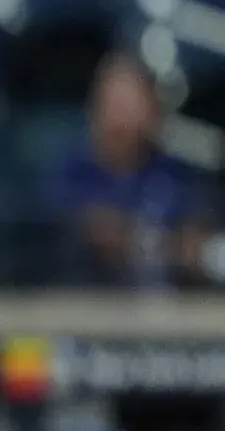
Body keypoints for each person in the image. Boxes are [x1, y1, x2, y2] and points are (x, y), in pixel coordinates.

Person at [55, 52, 212, 287]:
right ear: (95, 109)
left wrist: (138, 242)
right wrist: (163, 245)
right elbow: (94, 235)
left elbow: (196, 244)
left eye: (133, 103)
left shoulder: (175, 172)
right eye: (116, 104)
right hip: (84, 304)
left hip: (170, 308)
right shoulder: (72, 173)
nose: (123, 117)